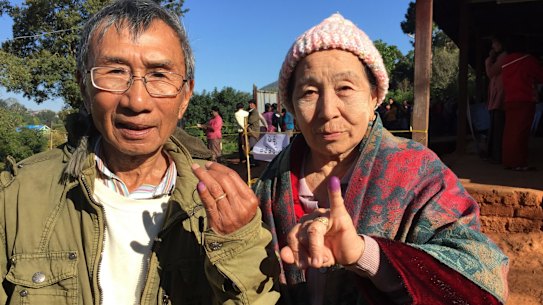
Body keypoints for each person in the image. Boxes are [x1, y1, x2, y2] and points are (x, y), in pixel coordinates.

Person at [0, 1, 279, 304]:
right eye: (115, 72)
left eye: (159, 74)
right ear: (84, 88)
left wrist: (237, 243)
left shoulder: (226, 207)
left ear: (185, 96)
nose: (137, 100)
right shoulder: (17, 197)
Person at [254, 13, 508, 304]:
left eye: (345, 88)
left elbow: (485, 275)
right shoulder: (271, 182)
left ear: (374, 95)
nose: (327, 110)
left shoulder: (417, 171)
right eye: (309, 92)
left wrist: (366, 255)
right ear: (292, 105)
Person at [501, 35, 543, 171]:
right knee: (521, 132)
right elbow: (540, 75)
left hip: (509, 100)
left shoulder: (505, 61)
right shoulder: (527, 60)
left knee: (510, 131)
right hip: (524, 99)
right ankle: (518, 163)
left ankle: (508, 160)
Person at [484, 35, 507, 164]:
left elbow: (491, 72)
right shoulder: (501, 57)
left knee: (498, 129)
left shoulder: (503, 57)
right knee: (495, 127)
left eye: (495, 43)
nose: (493, 46)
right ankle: (494, 154)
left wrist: (488, 60)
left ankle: (497, 156)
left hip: (500, 98)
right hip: (496, 98)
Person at [247, 99, 268, 166]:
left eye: (251, 103)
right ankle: (255, 161)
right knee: (254, 147)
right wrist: (266, 125)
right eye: (249, 103)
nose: (250, 105)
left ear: (254, 105)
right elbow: (262, 118)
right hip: (253, 132)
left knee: (252, 147)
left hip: (254, 132)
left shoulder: (254, 112)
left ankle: (253, 162)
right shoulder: (252, 111)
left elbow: (250, 121)